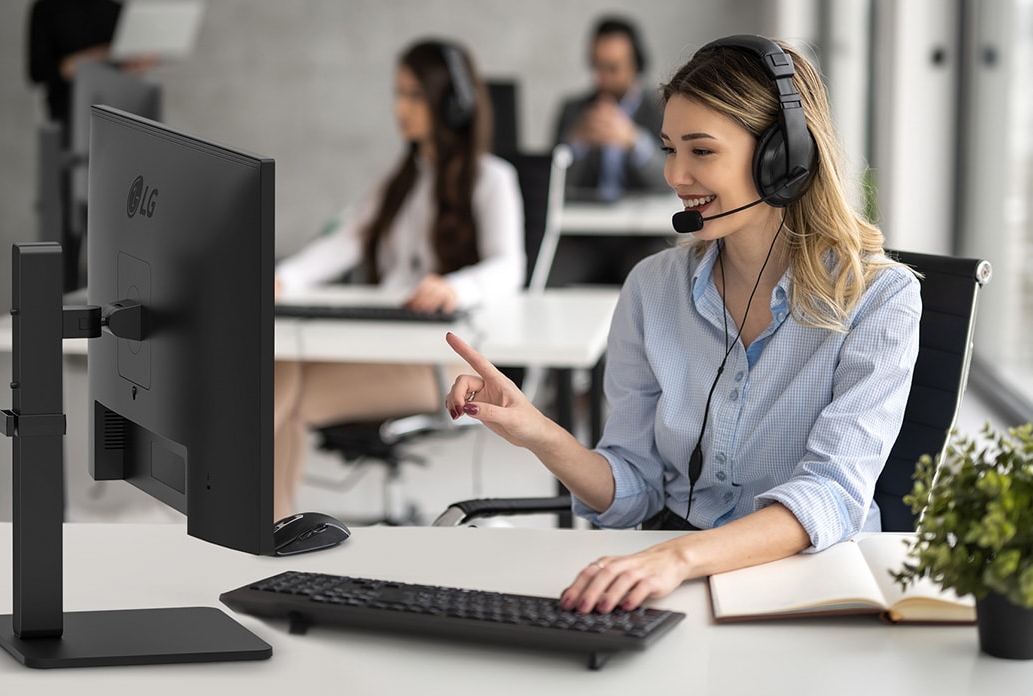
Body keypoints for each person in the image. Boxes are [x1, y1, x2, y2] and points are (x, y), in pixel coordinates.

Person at [445, 35, 922, 614]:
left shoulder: (880, 298)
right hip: (677, 575)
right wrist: (539, 432)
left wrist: (678, 557)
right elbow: (634, 486)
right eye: (669, 148)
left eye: (701, 150)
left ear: (783, 157)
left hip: (807, 585)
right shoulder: (653, 288)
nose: (675, 174)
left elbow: (832, 493)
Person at [273, 39, 525, 521]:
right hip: (381, 347)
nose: (400, 108)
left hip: (438, 364)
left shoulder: (492, 179)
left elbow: (509, 267)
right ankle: (269, 527)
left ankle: (265, 527)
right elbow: (344, 242)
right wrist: (282, 279)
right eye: (398, 94)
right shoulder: (401, 181)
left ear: (450, 104)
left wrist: (456, 288)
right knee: (279, 370)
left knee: (278, 393)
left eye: (414, 95)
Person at [553, 16, 667, 202]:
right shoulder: (573, 110)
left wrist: (635, 141)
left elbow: (672, 183)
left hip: (644, 219)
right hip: (585, 217)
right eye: (597, 66)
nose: (602, 78)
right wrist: (575, 144)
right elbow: (554, 185)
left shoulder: (661, 108)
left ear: (635, 66)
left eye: (612, 68)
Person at [26, 0, 157, 135]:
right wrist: (102, 56)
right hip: (69, 114)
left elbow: (128, 70)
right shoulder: (47, 8)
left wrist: (138, 62)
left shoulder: (118, 10)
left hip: (120, 111)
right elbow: (38, 72)